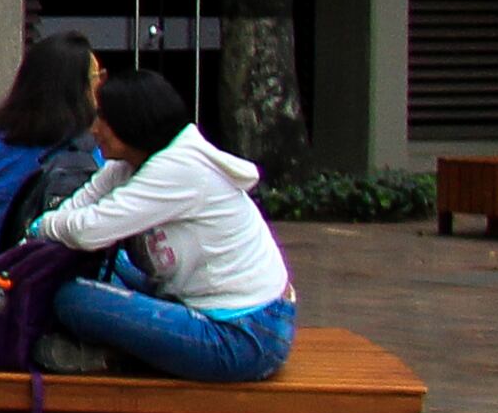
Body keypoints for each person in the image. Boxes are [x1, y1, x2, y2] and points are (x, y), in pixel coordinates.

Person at [35, 71, 300, 380]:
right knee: (107, 265)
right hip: (194, 303)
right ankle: (136, 349)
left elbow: (86, 230)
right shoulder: (128, 165)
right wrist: (51, 227)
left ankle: (119, 357)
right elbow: (80, 207)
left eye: (102, 119)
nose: (93, 130)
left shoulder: (178, 169)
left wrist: (39, 228)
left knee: (72, 298)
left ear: (130, 123)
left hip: (244, 335)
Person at [0, 28, 105, 306]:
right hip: (41, 304)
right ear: (76, 88)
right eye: (96, 79)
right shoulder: (91, 151)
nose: (100, 88)